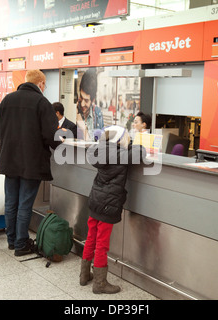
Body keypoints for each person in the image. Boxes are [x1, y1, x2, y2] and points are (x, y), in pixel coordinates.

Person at [0, 69, 61, 257]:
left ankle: (12, 240)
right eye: (45, 85)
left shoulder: (7, 100)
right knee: (24, 203)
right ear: (40, 83)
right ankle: (21, 244)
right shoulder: (42, 102)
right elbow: (51, 135)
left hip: (9, 160)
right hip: (32, 162)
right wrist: (59, 143)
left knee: (11, 202)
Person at [81, 125, 145, 294]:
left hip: (95, 199)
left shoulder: (98, 150)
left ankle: (84, 274)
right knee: (102, 244)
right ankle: (99, 284)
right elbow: (141, 152)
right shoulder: (121, 155)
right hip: (109, 204)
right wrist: (130, 144)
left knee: (91, 237)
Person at [76, 68, 104, 141]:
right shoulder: (75, 111)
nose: (82, 104)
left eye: (86, 100)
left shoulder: (97, 113)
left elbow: (98, 141)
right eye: (81, 98)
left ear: (93, 100)